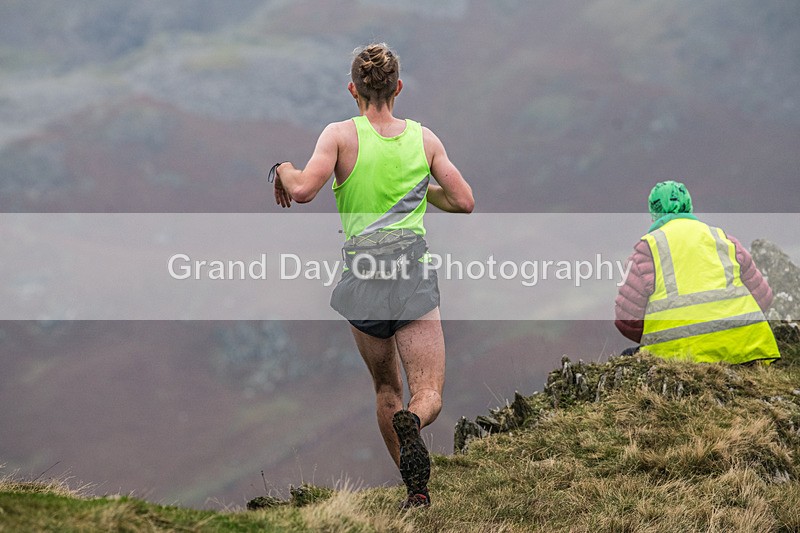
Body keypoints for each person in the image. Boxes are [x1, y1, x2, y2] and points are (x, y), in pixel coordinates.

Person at [272, 43, 474, 508]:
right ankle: (416, 422)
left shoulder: (340, 136)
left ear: (353, 90)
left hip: (362, 274)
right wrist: (422, 189)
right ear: (398, 88)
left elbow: (302, 189)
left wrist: (281, 169)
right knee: (426, 392)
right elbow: (463, 200)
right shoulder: (424, 140)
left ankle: (416, 492)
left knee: (387, 389)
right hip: (410, 274)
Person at [615, 180, 780, 364]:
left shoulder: (647, 250)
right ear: (689, 206)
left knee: (627, 358)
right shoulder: (724, 240)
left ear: (654, 212)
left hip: (676, 356)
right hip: (744, 350)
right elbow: (763, 299)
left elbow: (628, 321)